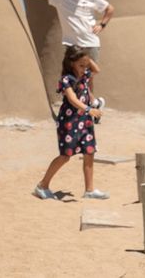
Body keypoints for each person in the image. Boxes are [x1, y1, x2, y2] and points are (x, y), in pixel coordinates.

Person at [33, 45, 106, 200]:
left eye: (85, 65)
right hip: (69, 122)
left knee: (89, 152)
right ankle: (42, 185)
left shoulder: (85, 74)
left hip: (84, 121)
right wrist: (89, 109)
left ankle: (90, 190)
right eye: (80, 65)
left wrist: (86, 56)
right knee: (65, 156)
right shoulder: (66, 80)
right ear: (71, 63)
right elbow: (72, 100)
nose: (84, 68)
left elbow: (97, 70)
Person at [1, 0, 114, 62]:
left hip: (91, 43)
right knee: (71, 78)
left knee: (88, 78)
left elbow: (109, 8)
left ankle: (88, 90)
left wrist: (102, 25)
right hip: (72, 44)